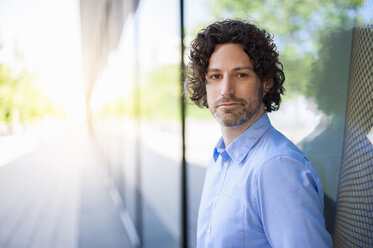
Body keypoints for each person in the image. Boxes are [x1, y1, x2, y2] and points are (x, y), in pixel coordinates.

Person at [185, 19, 333, 248]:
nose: (226, 90)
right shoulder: (220, 158)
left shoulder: (277, 166)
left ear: (266, 82)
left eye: (241, 74)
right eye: (215, 76)